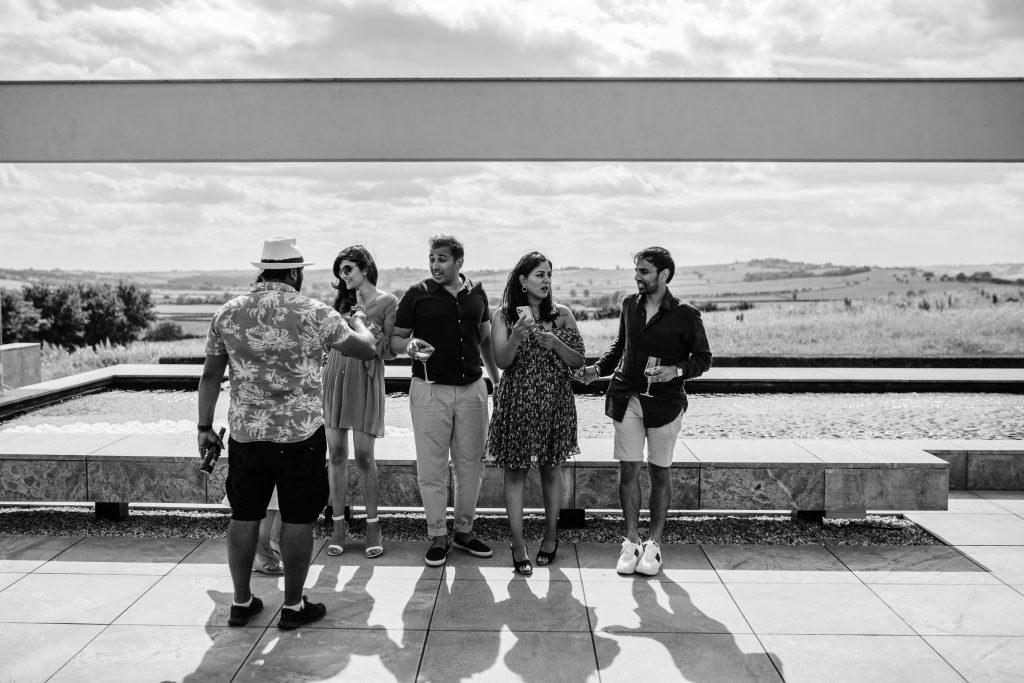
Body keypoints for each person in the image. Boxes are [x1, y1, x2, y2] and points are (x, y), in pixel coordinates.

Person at [197, 237, 376, 630]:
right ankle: (293, 607)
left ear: (262, 270)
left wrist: (204, 428)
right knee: (297, 520)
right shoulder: (314, 312)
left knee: (244, 515)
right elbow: (366, 349)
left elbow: (210, 376)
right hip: (299, 436)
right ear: (295, 272)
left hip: (247, 435)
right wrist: (358, 319)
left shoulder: (228, 313)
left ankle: (241, 602)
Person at [581, 246, 712, 576]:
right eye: (636, 271)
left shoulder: (686, 314)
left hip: (666, 404)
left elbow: (703, 358)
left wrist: (675, 371)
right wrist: (597, 369)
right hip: (627, 397)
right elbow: (620, 348)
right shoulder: (629, 305)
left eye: (643, 272)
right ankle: (631, 541)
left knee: (659, 472)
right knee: (628, 470)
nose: (637, 277)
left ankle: (653, 545)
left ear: (663, 275)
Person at [389, 235, 501, 567]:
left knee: (471, 467)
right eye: (432, 258)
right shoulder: (416, 294)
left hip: (472, 390)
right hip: (429, 389)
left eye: (442, 259)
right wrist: (409, 348)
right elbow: (396, 340)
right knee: (431, 467)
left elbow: (484, 340)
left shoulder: (477, 293)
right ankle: (438, 534)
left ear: (458, 262)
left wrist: (496, 378)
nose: (435, 265)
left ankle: (464, 532)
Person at [486, 252, 585, 575]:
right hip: (517, 402)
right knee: (514, 472)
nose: (546, 281)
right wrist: (518, 335)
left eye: (549, 275)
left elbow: (578, 362)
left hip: (555, 402)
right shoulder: (503, 316)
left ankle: (551, 536)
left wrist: (554, 343)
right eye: (540, 275)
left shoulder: (563, 316)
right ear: (523, 280)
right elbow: (501, 362)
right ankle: (517, 544)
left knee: (550, 469)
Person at [322, 245, 399, 558]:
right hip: (334, 377)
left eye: (348, 269)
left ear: (365, 268)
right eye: (340, 271)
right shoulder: (341, 303)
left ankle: (372, 525)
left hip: (366, 380)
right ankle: (339, 525)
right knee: (336, 453)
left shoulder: (388, 301)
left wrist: (374, 333)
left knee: (365, 456)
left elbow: (392, 350)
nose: (344, 276)